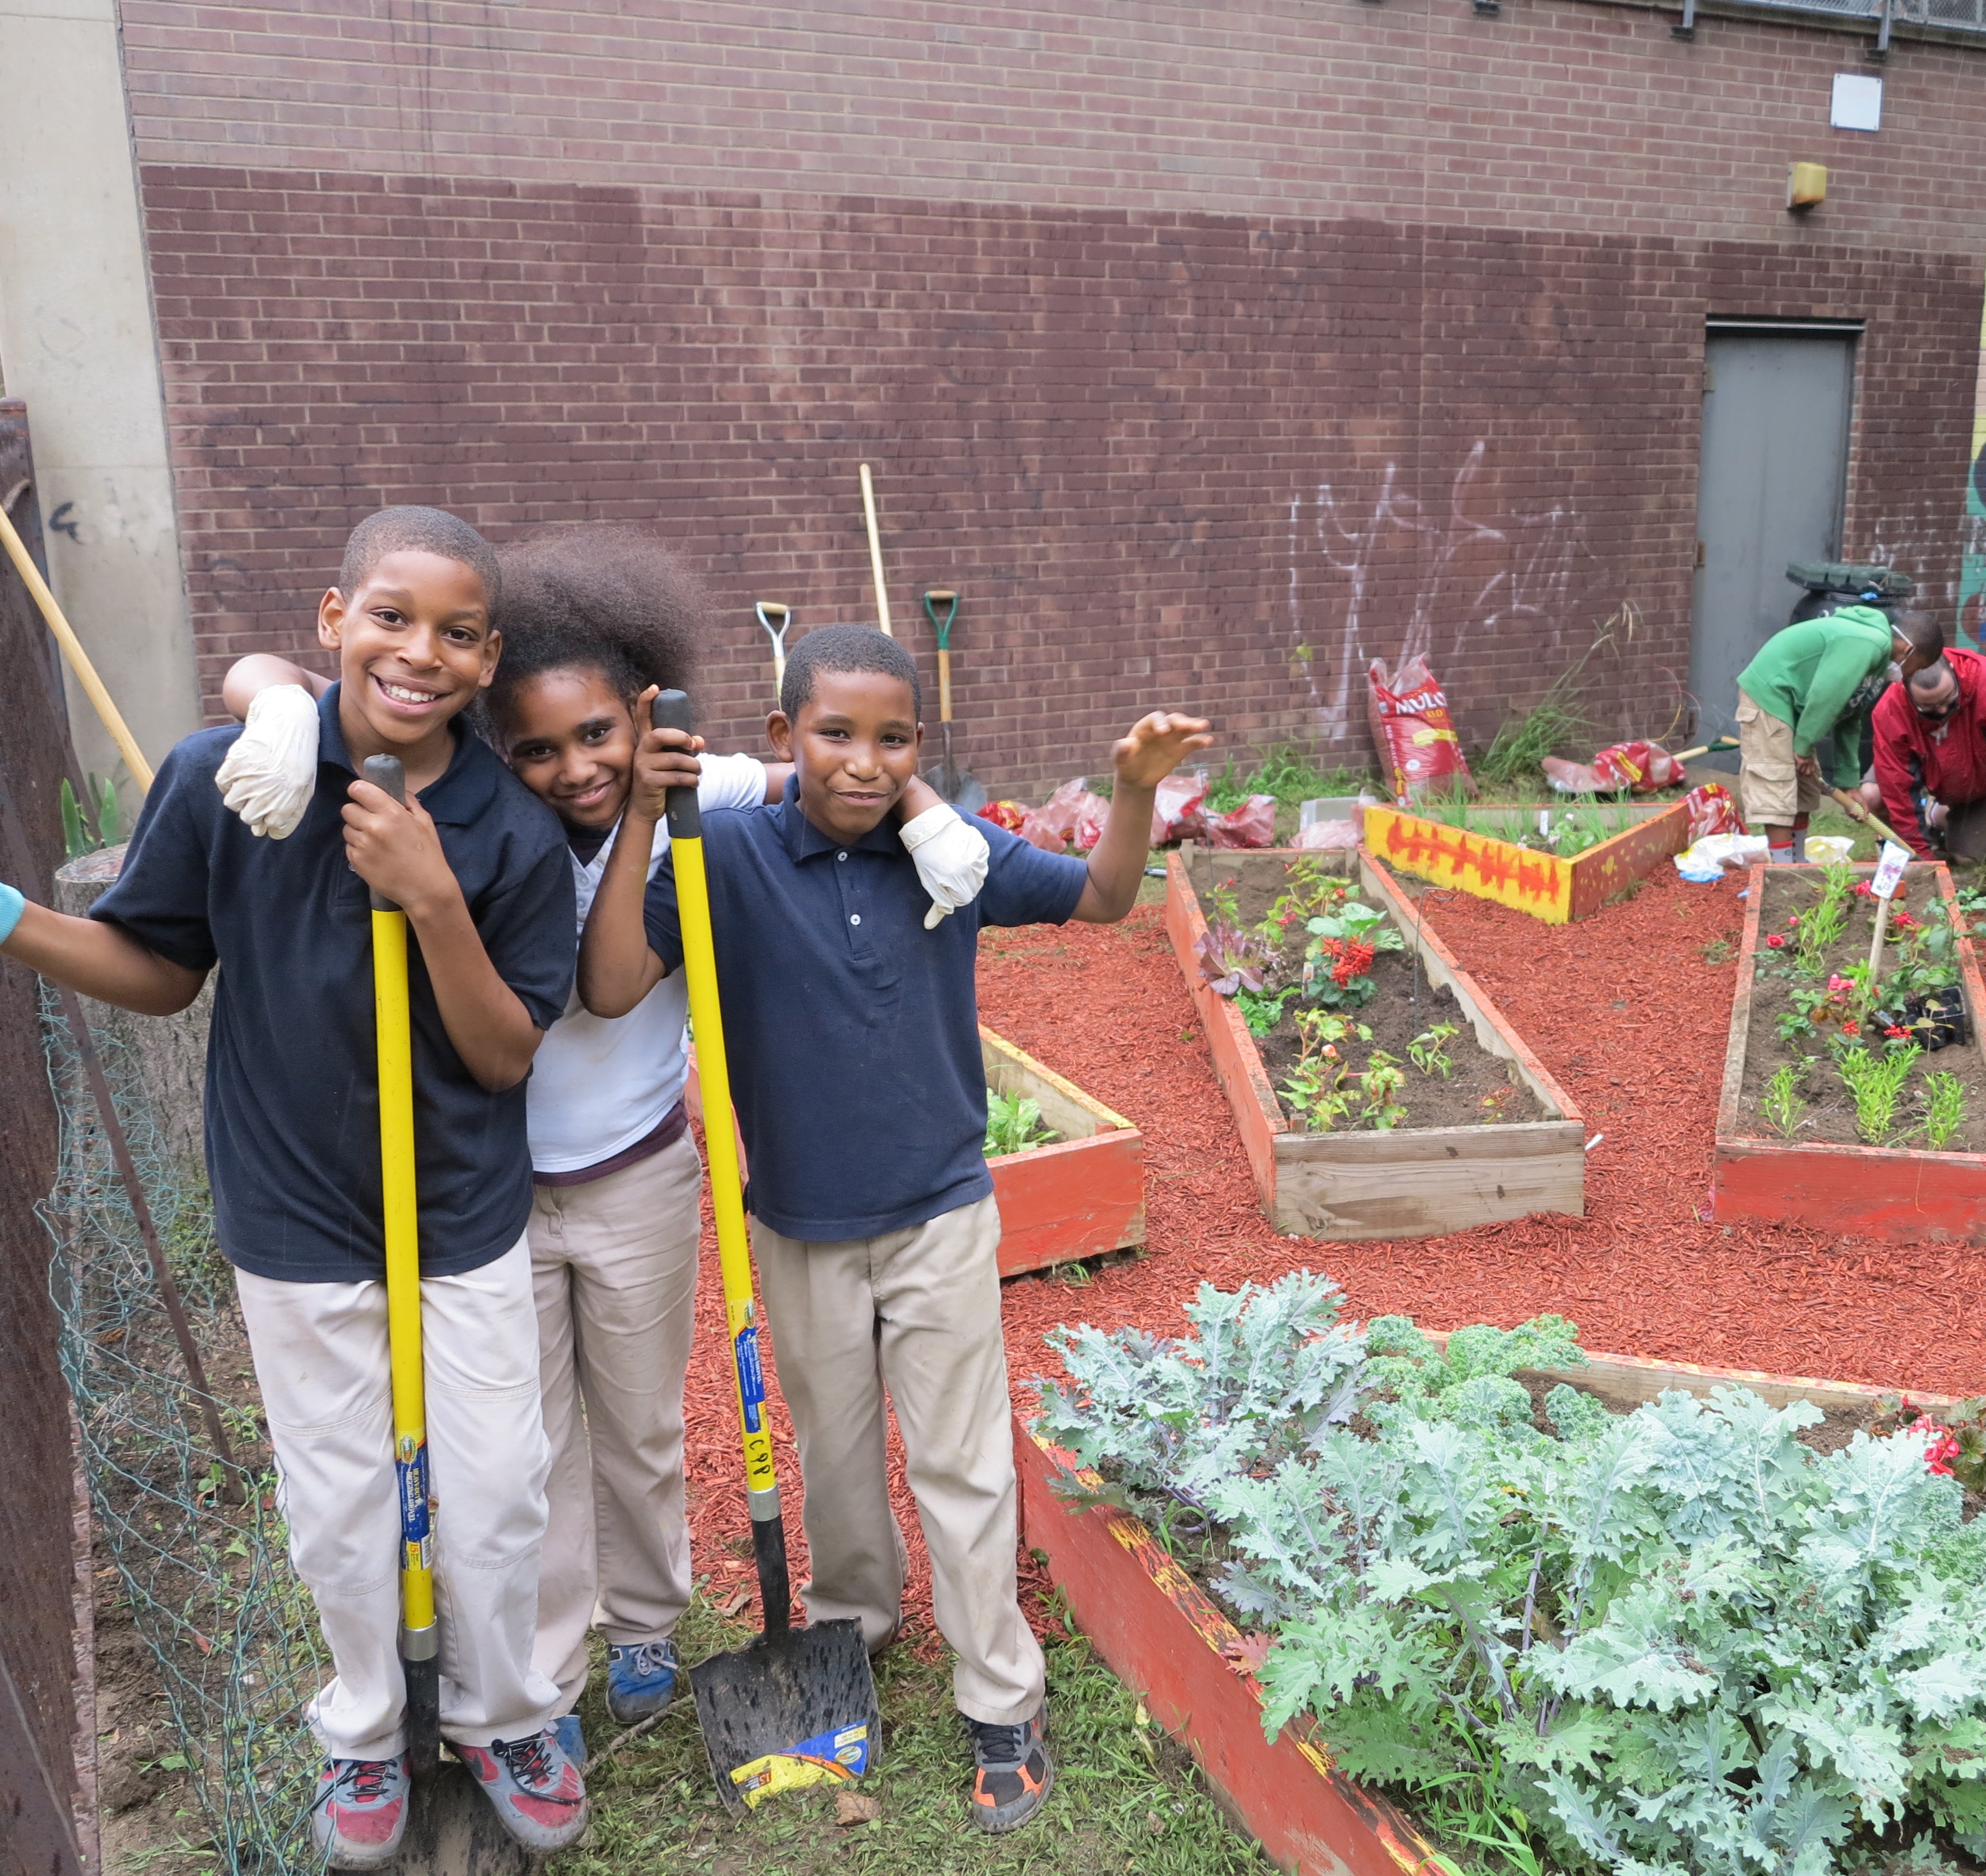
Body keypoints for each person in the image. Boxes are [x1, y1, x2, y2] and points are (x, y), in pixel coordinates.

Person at [211, 530, 995, 1760]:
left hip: (637, 1170)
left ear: (641, 715)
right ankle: (550, 1658)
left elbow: (848, 769)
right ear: (491, 741)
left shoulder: (702, 789)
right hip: (495, 1188)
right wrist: (264, 713)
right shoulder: (466, 799)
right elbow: (281, 676)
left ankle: (645, 1624)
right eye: (534, 749)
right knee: (531, 1450)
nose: (573, 769)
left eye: (597, 738)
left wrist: (939, 811)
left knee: (636, 1429)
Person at [0, 509, 588, 1865]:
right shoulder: (231, 779)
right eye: (389, 616)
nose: (417, 652)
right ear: (333, 618)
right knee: (338, 1509)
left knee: (495, 1492)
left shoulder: (506, 828)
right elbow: (158, 970)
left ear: (487, 657)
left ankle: (503, 1715)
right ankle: (367, 1730)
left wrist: (431, 896)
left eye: (455, 633)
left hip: (455, 1209)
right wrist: (18, 921)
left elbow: (505, 1054)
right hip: (295, 1210)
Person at [577, 626, 1210, 1833]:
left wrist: (1132, 792)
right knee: (836, 1453)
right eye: (834, 735)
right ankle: (850, 1634)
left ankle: (998, 1692)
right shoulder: (727, 858)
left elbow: (1106, 895)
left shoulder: (948, 858)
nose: (864, 763)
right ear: (782, 739)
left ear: (922, 746)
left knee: (962, 1459)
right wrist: (642, 828)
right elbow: (610, 985)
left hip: (939, 1212)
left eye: (893, 739)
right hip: (798, 1223)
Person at [1734, 607, 1944, 860]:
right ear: (1908, 651)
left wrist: (1849, 783)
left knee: (1804, 784)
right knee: (1777, 780)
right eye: (1916, 668)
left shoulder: (1877, 660)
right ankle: (1783, 872)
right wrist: (1803, 746)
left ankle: (1798, 862)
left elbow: (1850, 717)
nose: (1908, 676)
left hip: (1799, 706)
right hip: (1771, 693)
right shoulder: (1866, 644)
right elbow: (1826, 696)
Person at [1859, 646, 1986, 866]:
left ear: (1953, 672)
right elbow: (1897, 787)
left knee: (1968, 859)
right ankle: (1898, 840)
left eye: (1949, 700)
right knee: (1872, 794)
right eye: (1930, 707)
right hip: (1922, 765)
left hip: (1978, 780)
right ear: (1906, 690)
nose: (1942, 711)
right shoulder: (1891, 709)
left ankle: (1938, 815)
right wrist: (1920, 854)